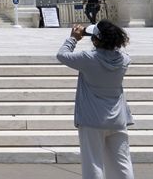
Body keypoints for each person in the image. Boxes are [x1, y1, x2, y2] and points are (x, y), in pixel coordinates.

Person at [57, 21, 134, 179]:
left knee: (93, 164)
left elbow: (62, 55)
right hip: (118, 119)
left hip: (92, 119)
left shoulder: (88, 58)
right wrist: (102, 37)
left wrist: (73, 38)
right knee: (122, 163)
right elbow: (114, 49)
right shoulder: (124, 60)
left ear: (96, 40)